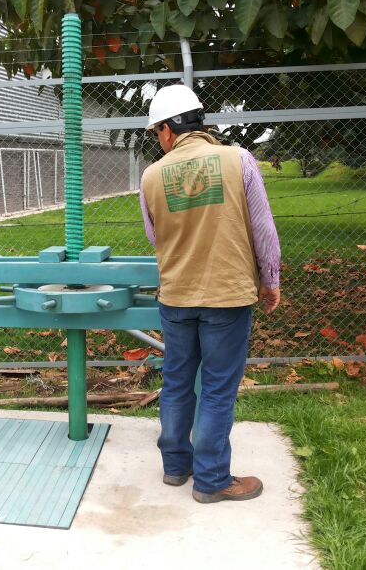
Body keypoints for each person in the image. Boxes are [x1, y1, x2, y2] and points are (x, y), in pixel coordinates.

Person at [139, 84, 281, 504]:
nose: (158, 140)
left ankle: (175, 467)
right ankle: (213, 480)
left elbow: (155, 237)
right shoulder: (238, 160)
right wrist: (269, 279)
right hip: (227, 296)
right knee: (217, 388)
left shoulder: (151, 176)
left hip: (176, 296)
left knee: (177, 382)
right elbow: (263, 229)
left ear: (168, 129)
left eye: (156, 132)